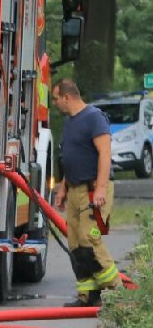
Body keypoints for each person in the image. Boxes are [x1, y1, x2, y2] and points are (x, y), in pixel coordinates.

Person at [51, 79, 119, 305]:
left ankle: (117, 294)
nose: (54, 103)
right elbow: (72, 158)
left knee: (91, 239)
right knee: (76, 244)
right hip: (74, 191)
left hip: (93, 191)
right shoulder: (71, 122)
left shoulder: (94, 118)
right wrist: (62, 189)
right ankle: (88, 295)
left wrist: (100, 188)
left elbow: (104, 153)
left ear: (67, 97)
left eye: (55, 98)